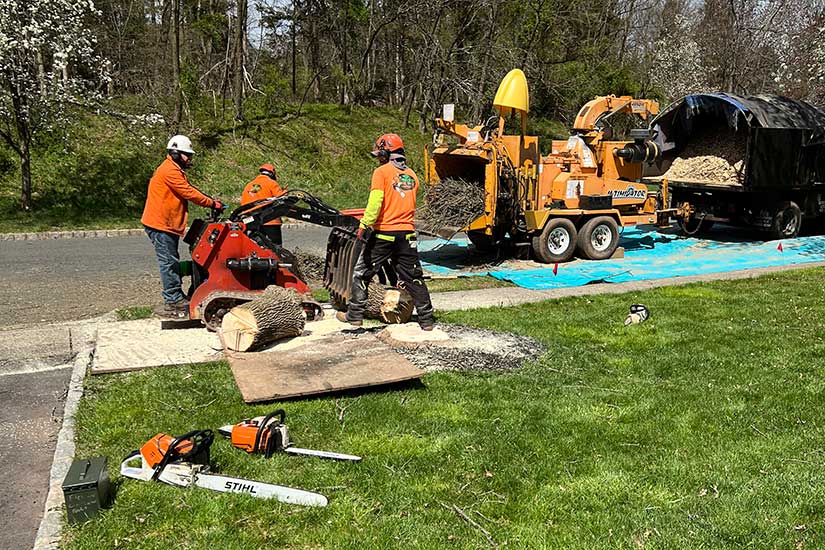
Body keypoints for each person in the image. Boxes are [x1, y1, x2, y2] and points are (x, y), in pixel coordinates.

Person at [337, 133, 435, 331]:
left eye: (380, 154)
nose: (379, 158)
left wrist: (364, 224)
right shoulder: (412, 175)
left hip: (384, 234)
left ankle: (354, 315)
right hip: (407, 235)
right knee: (413, 277)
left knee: (362, 273)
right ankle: (427, 319)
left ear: (386, 152)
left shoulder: (381, 172)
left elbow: (375, 203)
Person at [141, 135, 223, 317]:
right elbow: (188, 192)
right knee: (168, 262)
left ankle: (176, 295)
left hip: (165, 223)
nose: (189, 159)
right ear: (176, 154)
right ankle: (173, 301)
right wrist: (211, 203)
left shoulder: (173, 168)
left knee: (171, 260)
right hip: (161, 224)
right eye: (187, 155)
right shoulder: (169, 171)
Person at [240, 163, 287, 245]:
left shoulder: (249, 185)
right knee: (276, 246)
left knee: (257, 246)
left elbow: (244, 202)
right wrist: (285, 192)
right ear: (272, 174)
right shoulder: (271, 183)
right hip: (270, 220)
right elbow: (281, 197)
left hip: (251, 221)